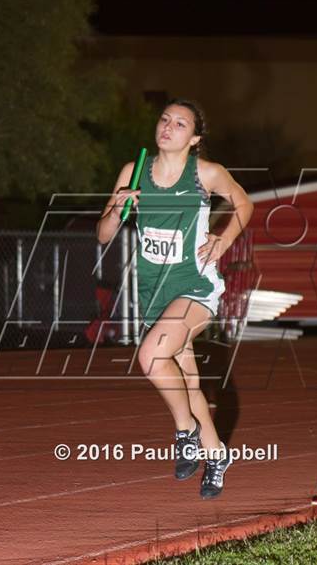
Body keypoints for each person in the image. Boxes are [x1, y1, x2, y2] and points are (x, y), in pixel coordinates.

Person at [96, 98, 254, 499]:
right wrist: (117, 210)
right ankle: (216, 453)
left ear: (195, 137)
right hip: (154, 290)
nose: (168, 127)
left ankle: (187, 432)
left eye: (180, 123)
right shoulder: (133, 173)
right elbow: (103, 234)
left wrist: (224, 238)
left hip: (194, 284)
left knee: (150, 357)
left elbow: (244, 204)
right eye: (164, 119)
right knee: (186, 379)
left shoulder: (205, 173)